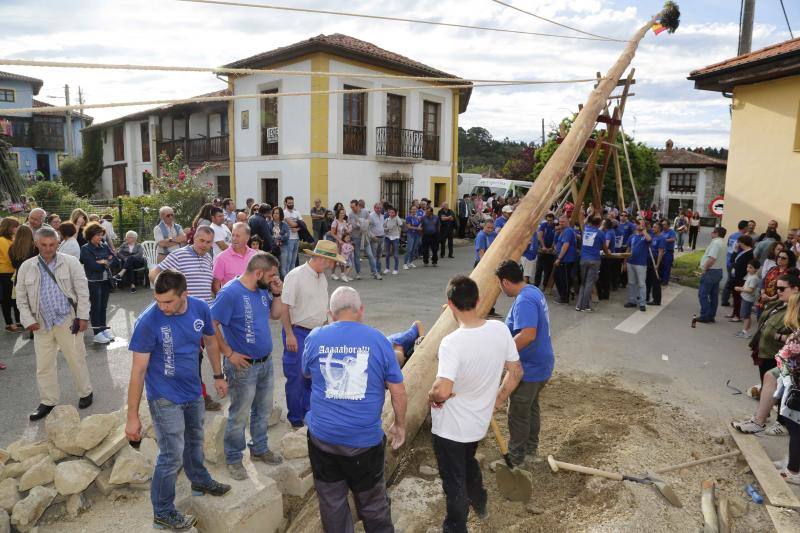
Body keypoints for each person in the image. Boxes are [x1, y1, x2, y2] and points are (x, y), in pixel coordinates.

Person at [125, 270, 231, 531]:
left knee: (195, 441)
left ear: (185, 295)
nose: (162, 307)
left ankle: (199, 480)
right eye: (158, 301)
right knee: (171, 455)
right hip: (164, 397)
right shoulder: (148, 321)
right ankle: (162, 511)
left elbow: (210, 341)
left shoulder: (200, 308)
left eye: (168, 302)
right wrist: (132, 416)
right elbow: (138, 371)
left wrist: (218, 374)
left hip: (193, 391)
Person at [302, 286, 406, 532]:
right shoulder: (378, 340)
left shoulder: (315, 337)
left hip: (322, 439)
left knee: (331, 502)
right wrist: (400, 425)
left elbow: (306, 373)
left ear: (331, 313)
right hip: (364, 444)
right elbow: (398, 390)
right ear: (361, 311)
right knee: (372, 502)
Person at [428, 274, 522, 532]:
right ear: (479, 300)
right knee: (467, 461)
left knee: (453, 481)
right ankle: (480, 501)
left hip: (450, 429)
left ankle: (455, 527)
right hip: (477, 425)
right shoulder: (499, 329)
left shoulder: (452, 343)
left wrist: (431, 396)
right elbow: (516, 372)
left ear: (450, 305)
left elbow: (442, 390)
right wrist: (497, 400)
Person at [212, 252, 285, 480]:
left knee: (262, 410)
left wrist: (278, 292)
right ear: (258, 273)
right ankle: (234, 458)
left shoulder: (263, 290)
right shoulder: (230, 293)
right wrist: (228, 352)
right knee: (239, 414)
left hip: (265, 362)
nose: (275, 278)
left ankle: (260, 448)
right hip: (243, 367)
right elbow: (210, 324)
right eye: (272, 274)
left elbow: (275, 315)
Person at [17, 227, 93, 420]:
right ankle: (48, 401)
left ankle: (85, 392)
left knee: (76, 358)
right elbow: (21, 298)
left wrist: (83, 317)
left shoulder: (71, 262)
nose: (48, 248)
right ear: (36, 243)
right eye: (43, 245)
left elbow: (83, 291)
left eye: (52, 244)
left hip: (68, 320)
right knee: (44, 365)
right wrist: (28, 320)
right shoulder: (27, 266)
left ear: (58, 243)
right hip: (40, 323)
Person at [149, 226, 222, 412]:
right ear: (193, 239)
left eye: (208, 242)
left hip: (203, 318)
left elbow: (207, 286)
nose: (204, 245)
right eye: (201, 241)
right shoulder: (179, 255)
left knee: (195, 359)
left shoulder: (208, 257)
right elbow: (154, 273)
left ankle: (193, 396)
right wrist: (166, 298)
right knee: (189, 360)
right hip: (183, 319)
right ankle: (197, 397)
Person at [496, 260, 554, 467]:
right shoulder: (533, 290)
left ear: (505, 281)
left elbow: (528, 335)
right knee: (531, 407)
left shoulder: (524, 300)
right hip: (542, 364)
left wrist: (504, 353)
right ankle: (531, 449)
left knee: (518, 413)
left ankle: (515, 458)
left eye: (500, 285)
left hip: (530, 368)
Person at [281, 240, 344, 428]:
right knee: (296, 377)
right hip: (298, 331)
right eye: (333, 262)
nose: (334, 266)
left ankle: (309, 414)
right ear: (324, 259)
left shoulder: (321, 277)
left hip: (317, 332)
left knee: (313, 375)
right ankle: (295, 418)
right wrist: (289, 334)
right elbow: (285, 308)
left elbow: (321, 308)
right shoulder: (296, 276)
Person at [80, 222, 117, 344]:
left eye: (101, 235)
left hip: (106, 280)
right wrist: (104, 262)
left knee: (103, 307)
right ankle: (97, 333)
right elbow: (92, 266)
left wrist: (103, 262)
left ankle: (103, 329)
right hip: (94, 282)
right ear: (90, 235)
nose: (100, 238)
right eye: (97, 235)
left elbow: (114, 259)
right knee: (96, 307)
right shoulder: (85, 249)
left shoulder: (104, 245)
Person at [212, 222, 257, 294]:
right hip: (231, 303)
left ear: (247, 238)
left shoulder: (255, 255)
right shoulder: (221, 258)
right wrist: (223, 301)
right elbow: (215, 284)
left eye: (238, 236)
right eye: (233, 235)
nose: (234, 238)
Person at [695, 226, 728, 323]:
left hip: (711, 271)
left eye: (713, 232)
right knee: (714, 295)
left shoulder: (716, 243)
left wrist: (705, 268)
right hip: (718, 271)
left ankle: (705, 315)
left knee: (703, 295)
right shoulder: (723, 243)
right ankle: (711, 315)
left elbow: (712, 258)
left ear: (716, 233)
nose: (711, 234)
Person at [576, 216, 605, 312]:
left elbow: (583, 222)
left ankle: (579, 305)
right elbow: (605, 248)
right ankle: (584, 306)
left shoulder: (585, 230)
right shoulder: (600, 233)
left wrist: (589, 214)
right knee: (589, 284)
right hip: (594, 260)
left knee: (583, 283)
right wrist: (608, 253)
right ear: (599, 224)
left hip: (583, 259)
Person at [624, 219, 652, 312]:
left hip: (641, 264)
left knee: (641, 284)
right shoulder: (632, 236)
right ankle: (632, 301)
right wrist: (624, 262)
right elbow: (628, 249)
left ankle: (642, 303)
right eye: (637, 223)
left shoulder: (645, 236)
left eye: (640, 223)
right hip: (630, 262)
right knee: (631, 283)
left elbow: (649, 239)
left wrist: (644, 231)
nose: (637, 225)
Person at [0, 217, 22, 336]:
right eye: (15, 226)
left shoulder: (10, 239)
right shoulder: (3, 240)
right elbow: (10, 257)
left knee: (13, 298)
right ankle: (9, 324)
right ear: (9, 227)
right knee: (7, 300)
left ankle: (17, 322)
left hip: (10, 272)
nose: (17, 228)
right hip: (5, 273)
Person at [727, 235, 755, 322]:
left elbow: (742, 266)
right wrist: (735, 251)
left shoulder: (749, 253)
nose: (737, 244)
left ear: (742, 242)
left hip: (741, 278)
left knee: (738, 297)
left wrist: (734, 267)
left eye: (738, 242)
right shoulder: (742, 251)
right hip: (736, 277)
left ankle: (737, 315)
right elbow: (732, 260)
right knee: (735, 296)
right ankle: (734, 313)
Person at [553, 215, 577, 305]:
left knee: (565, 279)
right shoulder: (563, 231)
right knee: (557, 277)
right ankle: (562, 295)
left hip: (566, 259)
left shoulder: (568, 231)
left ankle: (565, 298)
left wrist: (559, 258)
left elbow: (565, 245)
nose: (561, 223)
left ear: (567, 222)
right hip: (563, 259)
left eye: (563, 222)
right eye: (560, 221)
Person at [735, 258, 761, 338]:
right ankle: (745, 330)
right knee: (746, 315)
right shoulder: (751, 276)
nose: (748, 269)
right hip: (746, 298)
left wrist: (740, 289)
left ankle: (745, 332)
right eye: (747, 267)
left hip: (748, 299)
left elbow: (750, 290)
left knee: (745, 315)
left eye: (750, 267)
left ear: (756, 269)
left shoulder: (754, 278)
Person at [534, 213, 557, 288]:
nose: (549, 222)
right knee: (539, 268)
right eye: (548, 220)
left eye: (550, 220)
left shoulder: (555, 226)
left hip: (551, 250)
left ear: (553, 220)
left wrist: (552, 247)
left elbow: (556, 237)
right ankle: (536, 284)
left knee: (548, 269)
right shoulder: (544, 225)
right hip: (542, 249)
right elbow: (540, 236)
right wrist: (543, 246)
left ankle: (545, 285)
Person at [283, 196, 303, 275]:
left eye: (292, 203)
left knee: (294, 260)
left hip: (296, 238)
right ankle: (287, 277)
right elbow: (290, 224)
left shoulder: (296, 212)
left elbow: (303, 224)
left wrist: (296, 229)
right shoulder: (284, 213)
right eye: (289, 203)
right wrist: (296, 224)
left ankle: (293, 276)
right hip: (288, 239)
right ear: (285, 203)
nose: (291, 204)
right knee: (288, 260)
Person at [646, 222, 665, 307]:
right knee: (648, 279)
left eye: (655, 227)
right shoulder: (652, 236)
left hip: (656, 260)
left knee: (656, 281)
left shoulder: (661, 238)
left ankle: (656, 300)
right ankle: (646, 297)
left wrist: (657, 264)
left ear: (659, 229)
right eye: (653, 227)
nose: (653, 229)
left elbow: (661, 252)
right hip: (649, 260)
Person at [328, 208, 350, 281]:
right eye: (341, 213)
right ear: (338, 214)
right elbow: (332, 233)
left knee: (340, 259)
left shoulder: (344, 222)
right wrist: (339, 240)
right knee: (337, 259)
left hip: (343, 243)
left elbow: (346, 232)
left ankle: (339, 274)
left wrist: (348, 230)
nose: (342, 214)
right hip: (336, 243)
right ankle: (336, 274)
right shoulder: (335, 222)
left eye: (343, 213)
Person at [383, 207, 402, 275]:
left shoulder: (397, 219)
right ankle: (387, 268)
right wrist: (386, 229)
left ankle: (396, 269)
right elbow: (383, 227)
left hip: (395, 237)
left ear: (395, 213)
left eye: (392, 212)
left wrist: (396, 216)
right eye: (390, 212)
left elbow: (400, 224)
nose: (391, 214)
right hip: (388, 237)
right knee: (387, 254)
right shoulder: (386, 219)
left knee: (395, 254)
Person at [368, 202, 385, 275]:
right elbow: (367, 228)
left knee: (379, 255)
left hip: (382, 237)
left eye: (380, 208)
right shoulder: (371, 216)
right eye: (377, 208)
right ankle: (373, 271)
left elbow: (382, 226)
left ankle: (379, 270)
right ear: (374, 208)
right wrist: (372, 236)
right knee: (374, 256)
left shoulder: (382, 216)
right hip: (374, 238)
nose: (379, 209)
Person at [660, 218, 676, 285]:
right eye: (662, 224)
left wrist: (665, 240)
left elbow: (673, 239)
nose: (663, 226)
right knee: (661, 266)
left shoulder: (671, 232)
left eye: (664, 224)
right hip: (661, 251)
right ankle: (661, 279)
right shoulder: (661, 232)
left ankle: (665, 281)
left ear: (668, 225)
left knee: (667, 267)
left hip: (668, 252)